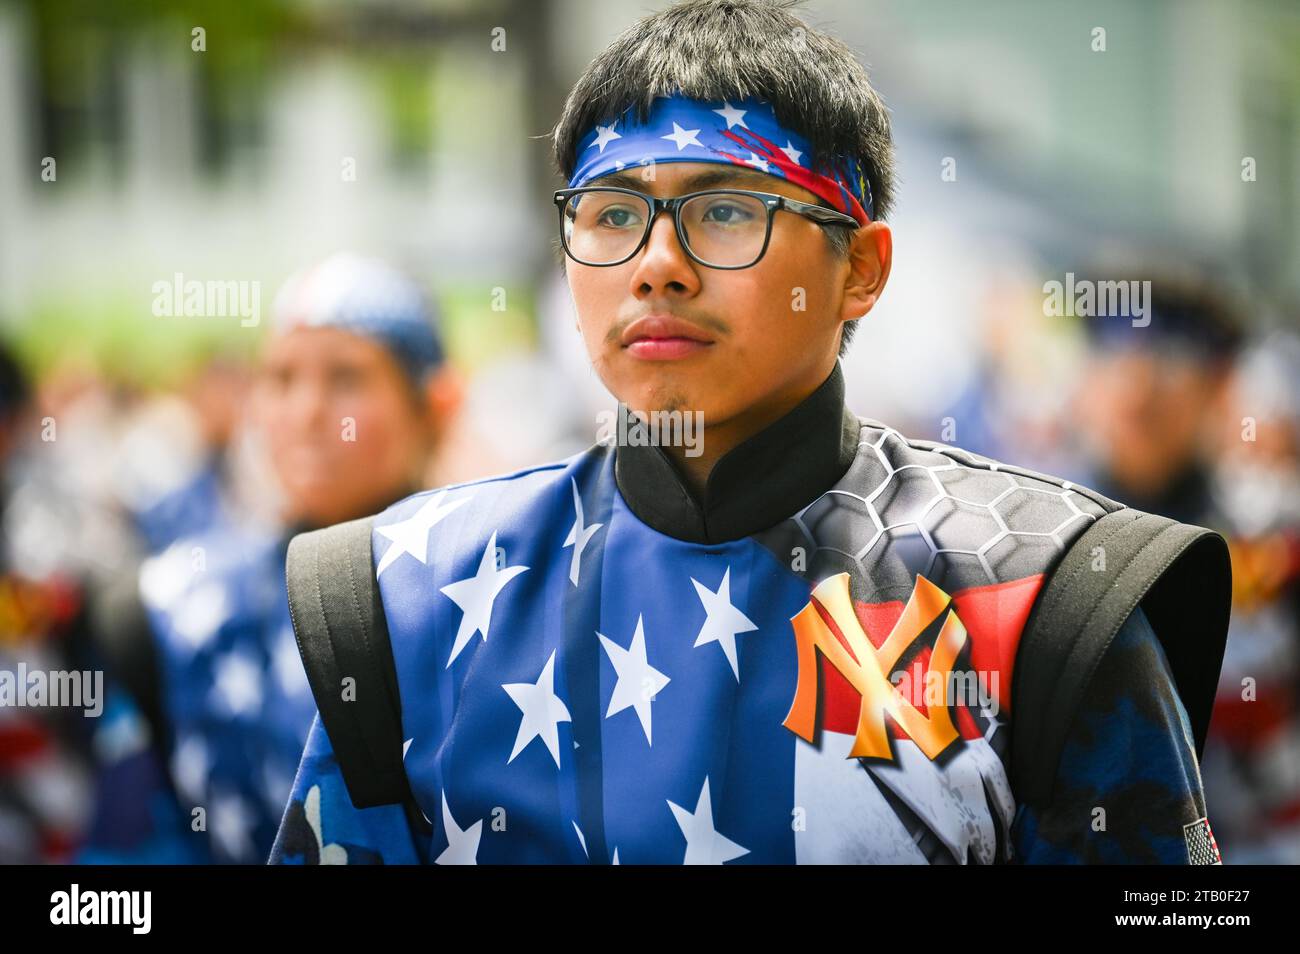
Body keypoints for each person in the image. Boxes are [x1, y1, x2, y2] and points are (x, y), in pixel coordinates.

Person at [270, 0, 1230, 865]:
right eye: (612, 214)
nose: (657, 264)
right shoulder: (410, 596)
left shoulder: (1043, 593)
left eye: (726, 210)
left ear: (861, 268)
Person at [78, 252, 460, 863]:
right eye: (281, 379)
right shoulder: (171, 612)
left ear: (436, 406)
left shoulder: (495, 592)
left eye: (346, 377)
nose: (306, 412)